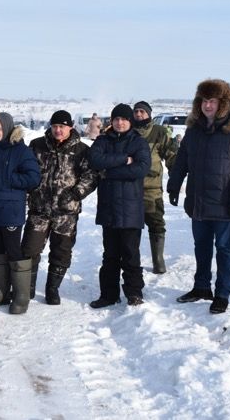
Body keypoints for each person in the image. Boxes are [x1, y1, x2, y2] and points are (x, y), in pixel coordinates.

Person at [168, 79, 230, 314]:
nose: (208, 106)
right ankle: (201, 287)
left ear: (223, 103)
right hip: (198, 200)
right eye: (204, 101)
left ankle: (222, 293)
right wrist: (174, 185)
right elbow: (182, 159)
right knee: (202, 246)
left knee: (225, 248)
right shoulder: (194, 129)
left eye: (213, 101)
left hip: (226, 202)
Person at [23, 110, 98, 305]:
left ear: (70, 128)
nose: (58, 130)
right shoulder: (37, 145)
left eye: (62, 127)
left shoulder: (82, 150)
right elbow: (27, 169)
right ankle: (27, 287)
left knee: (61, 252)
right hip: (39, 209)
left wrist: (76, 193)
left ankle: (52, 289)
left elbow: (91, 175)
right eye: (55, 126)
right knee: (29, 249)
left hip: (66, 213)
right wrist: (31, 189)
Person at [88, 103, 151, 308]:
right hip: (109, 207)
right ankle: (108, 294)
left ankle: (134, 293)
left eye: (123, 119)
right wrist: (125, 159)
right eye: (116, 119)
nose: (120, 122)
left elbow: (141, 169)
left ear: (130, 121)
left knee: (131, 254)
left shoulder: (138, 142)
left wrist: (109, 172)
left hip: (131, 208)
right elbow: (95, 160)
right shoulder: (103, 140)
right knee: (110, 255)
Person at [0, 112, 40, 314]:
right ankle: (0, 290)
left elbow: (33, 178)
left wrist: (10, 179)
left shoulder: (21, 150)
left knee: (14, 251)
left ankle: (21, 296)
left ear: (7, 128)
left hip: (11, 210)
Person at [132, 101, 178, 274]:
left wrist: (176, 179)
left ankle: (158, 260)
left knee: (157, 224)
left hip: (152, 189)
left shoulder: (159, 132)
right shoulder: (128, 132)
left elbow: (172, 156)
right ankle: (132, 261)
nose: (138, 115)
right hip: (130, 189)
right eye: (136, 112)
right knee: (130, 227)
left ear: (149, 114)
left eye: (142, 112)